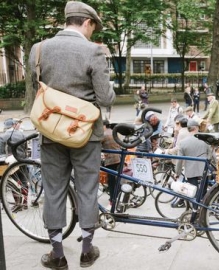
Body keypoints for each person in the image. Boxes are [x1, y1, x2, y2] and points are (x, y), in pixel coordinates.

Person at [28, 2, 116, 268]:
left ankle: (57, 254)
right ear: (87, 23)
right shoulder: (93, 51)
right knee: (87, 189)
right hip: (85, 135)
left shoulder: (39, 49)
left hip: (51, 131)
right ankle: (87, 251)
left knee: (54, 191)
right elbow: (105, 97)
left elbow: (37, 88)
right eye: (93, 28)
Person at [174, 119, 214, 207]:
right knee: (203, 192)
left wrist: (177, 173)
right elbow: (211, 155)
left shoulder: (183, 143)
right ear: (196, 128)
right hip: (204, 170)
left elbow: (179, 160)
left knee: (193, 192)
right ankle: (204, 208)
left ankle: (195, 210)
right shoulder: (205, 139)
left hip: (191, 171)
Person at [101, 120, 121, 205]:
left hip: (111, 159)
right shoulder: (113, 132)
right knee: (116, 178)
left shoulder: (104, 135)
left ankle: (113, 199)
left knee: (111, 180)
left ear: (104, 126)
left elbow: (97, 146)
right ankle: (117, 195)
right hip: (118, 158)